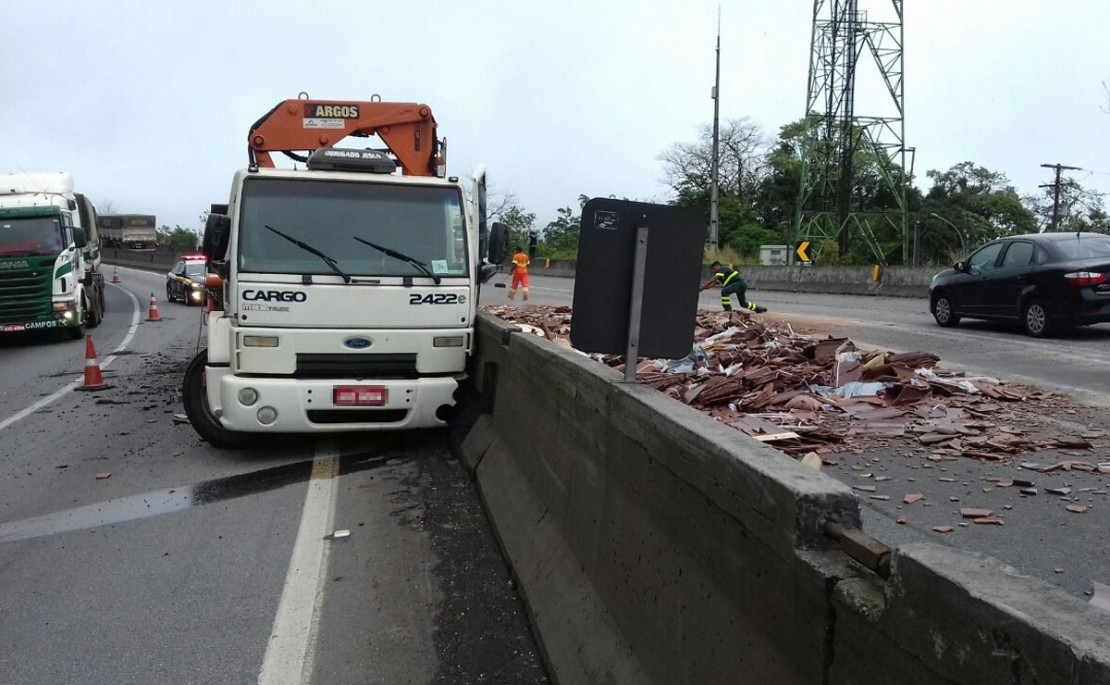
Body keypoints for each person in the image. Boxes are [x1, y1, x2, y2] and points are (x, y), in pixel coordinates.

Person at [700, 260, 767, 313]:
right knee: (743, 304)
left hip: (740, 284)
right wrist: (703, 288)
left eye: (714, 268)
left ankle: (727, 309)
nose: (714, 270)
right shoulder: (720, 275)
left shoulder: (723, 268)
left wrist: (703, 287)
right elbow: (712, 284)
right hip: (740, 286)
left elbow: (714, 278)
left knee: (724, 291)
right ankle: (759, 309)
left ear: (718, 265)